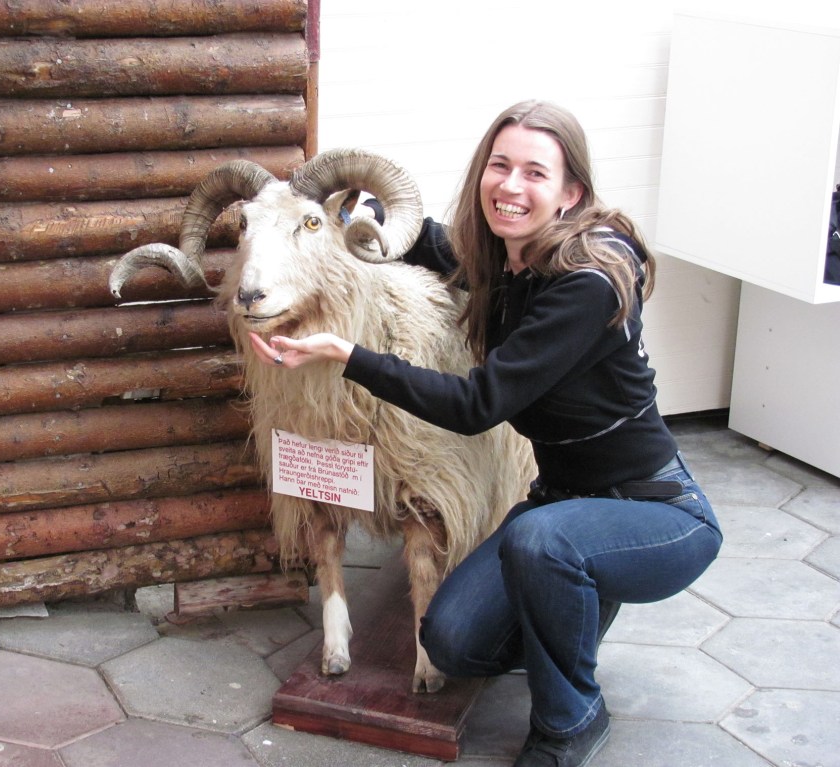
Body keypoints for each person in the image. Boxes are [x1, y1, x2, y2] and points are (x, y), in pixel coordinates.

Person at [249, 99, 723, 767]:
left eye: (535, 172)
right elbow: (443, 246)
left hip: (652, 511)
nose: (510, 185)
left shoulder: (587, 282)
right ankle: (572, 604)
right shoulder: (510, 260)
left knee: (541, 542)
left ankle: (570, 720)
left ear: (571, 192)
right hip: (562, 501)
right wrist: (360, 214)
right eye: (500, 166)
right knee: (453, 642)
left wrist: (349, 354)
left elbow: (479, 404)